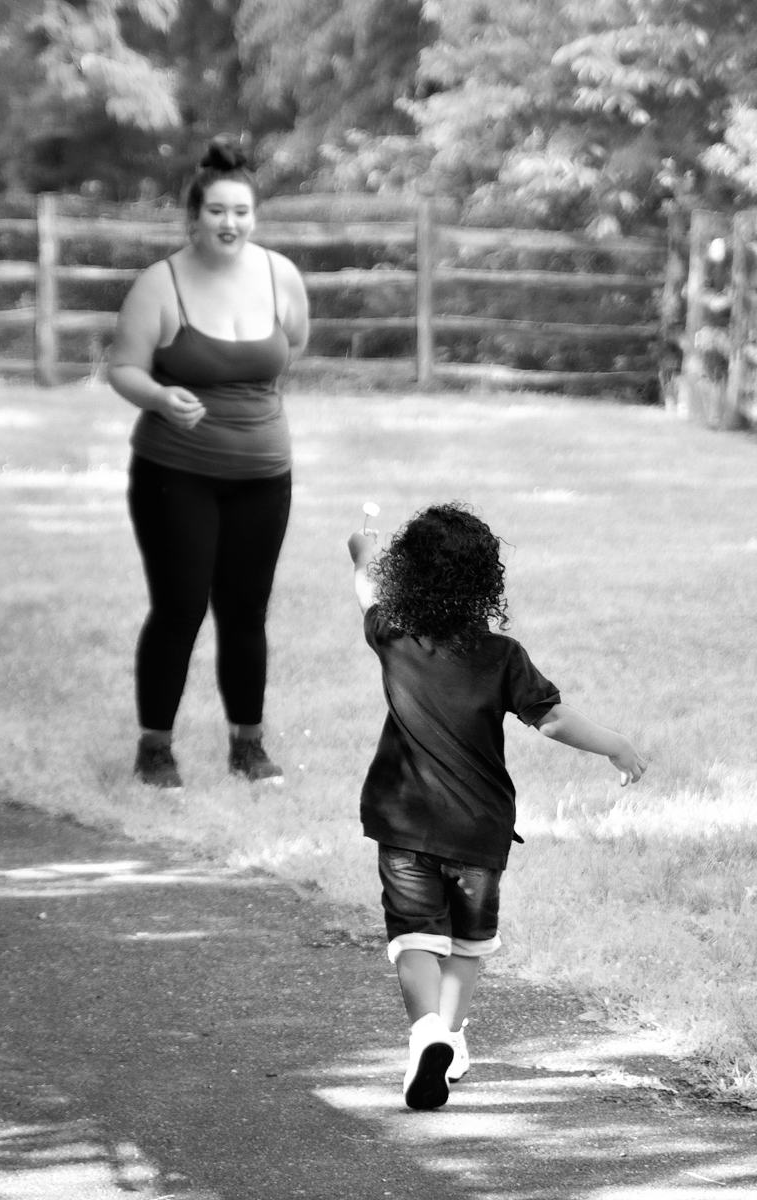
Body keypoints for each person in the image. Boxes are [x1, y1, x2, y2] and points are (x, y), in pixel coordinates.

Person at [347, 503, 646, 1111]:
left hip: (404, 822)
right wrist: (617, 746)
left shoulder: (393, 636)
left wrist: (363, 555)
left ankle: (426, 1032)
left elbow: (365, 591)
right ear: (484, 581)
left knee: (415, 938)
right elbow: (555, 720)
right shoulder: (502, 655)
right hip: (479, 831)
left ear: (407, 575)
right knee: (467, 944)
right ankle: (451, 1038)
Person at [109, 137, 309, 788]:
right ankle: (155, 751)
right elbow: (124, 370)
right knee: (181, 607)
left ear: (254, 218)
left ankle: (248, 748)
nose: (230, 223)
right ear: (193, 217)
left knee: (246, 612)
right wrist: (162, 396)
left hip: (263, 476)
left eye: (241, 212)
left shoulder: (281, 276)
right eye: (217, 211)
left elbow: (291, 347)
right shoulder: (160, 284)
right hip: (177, 474)